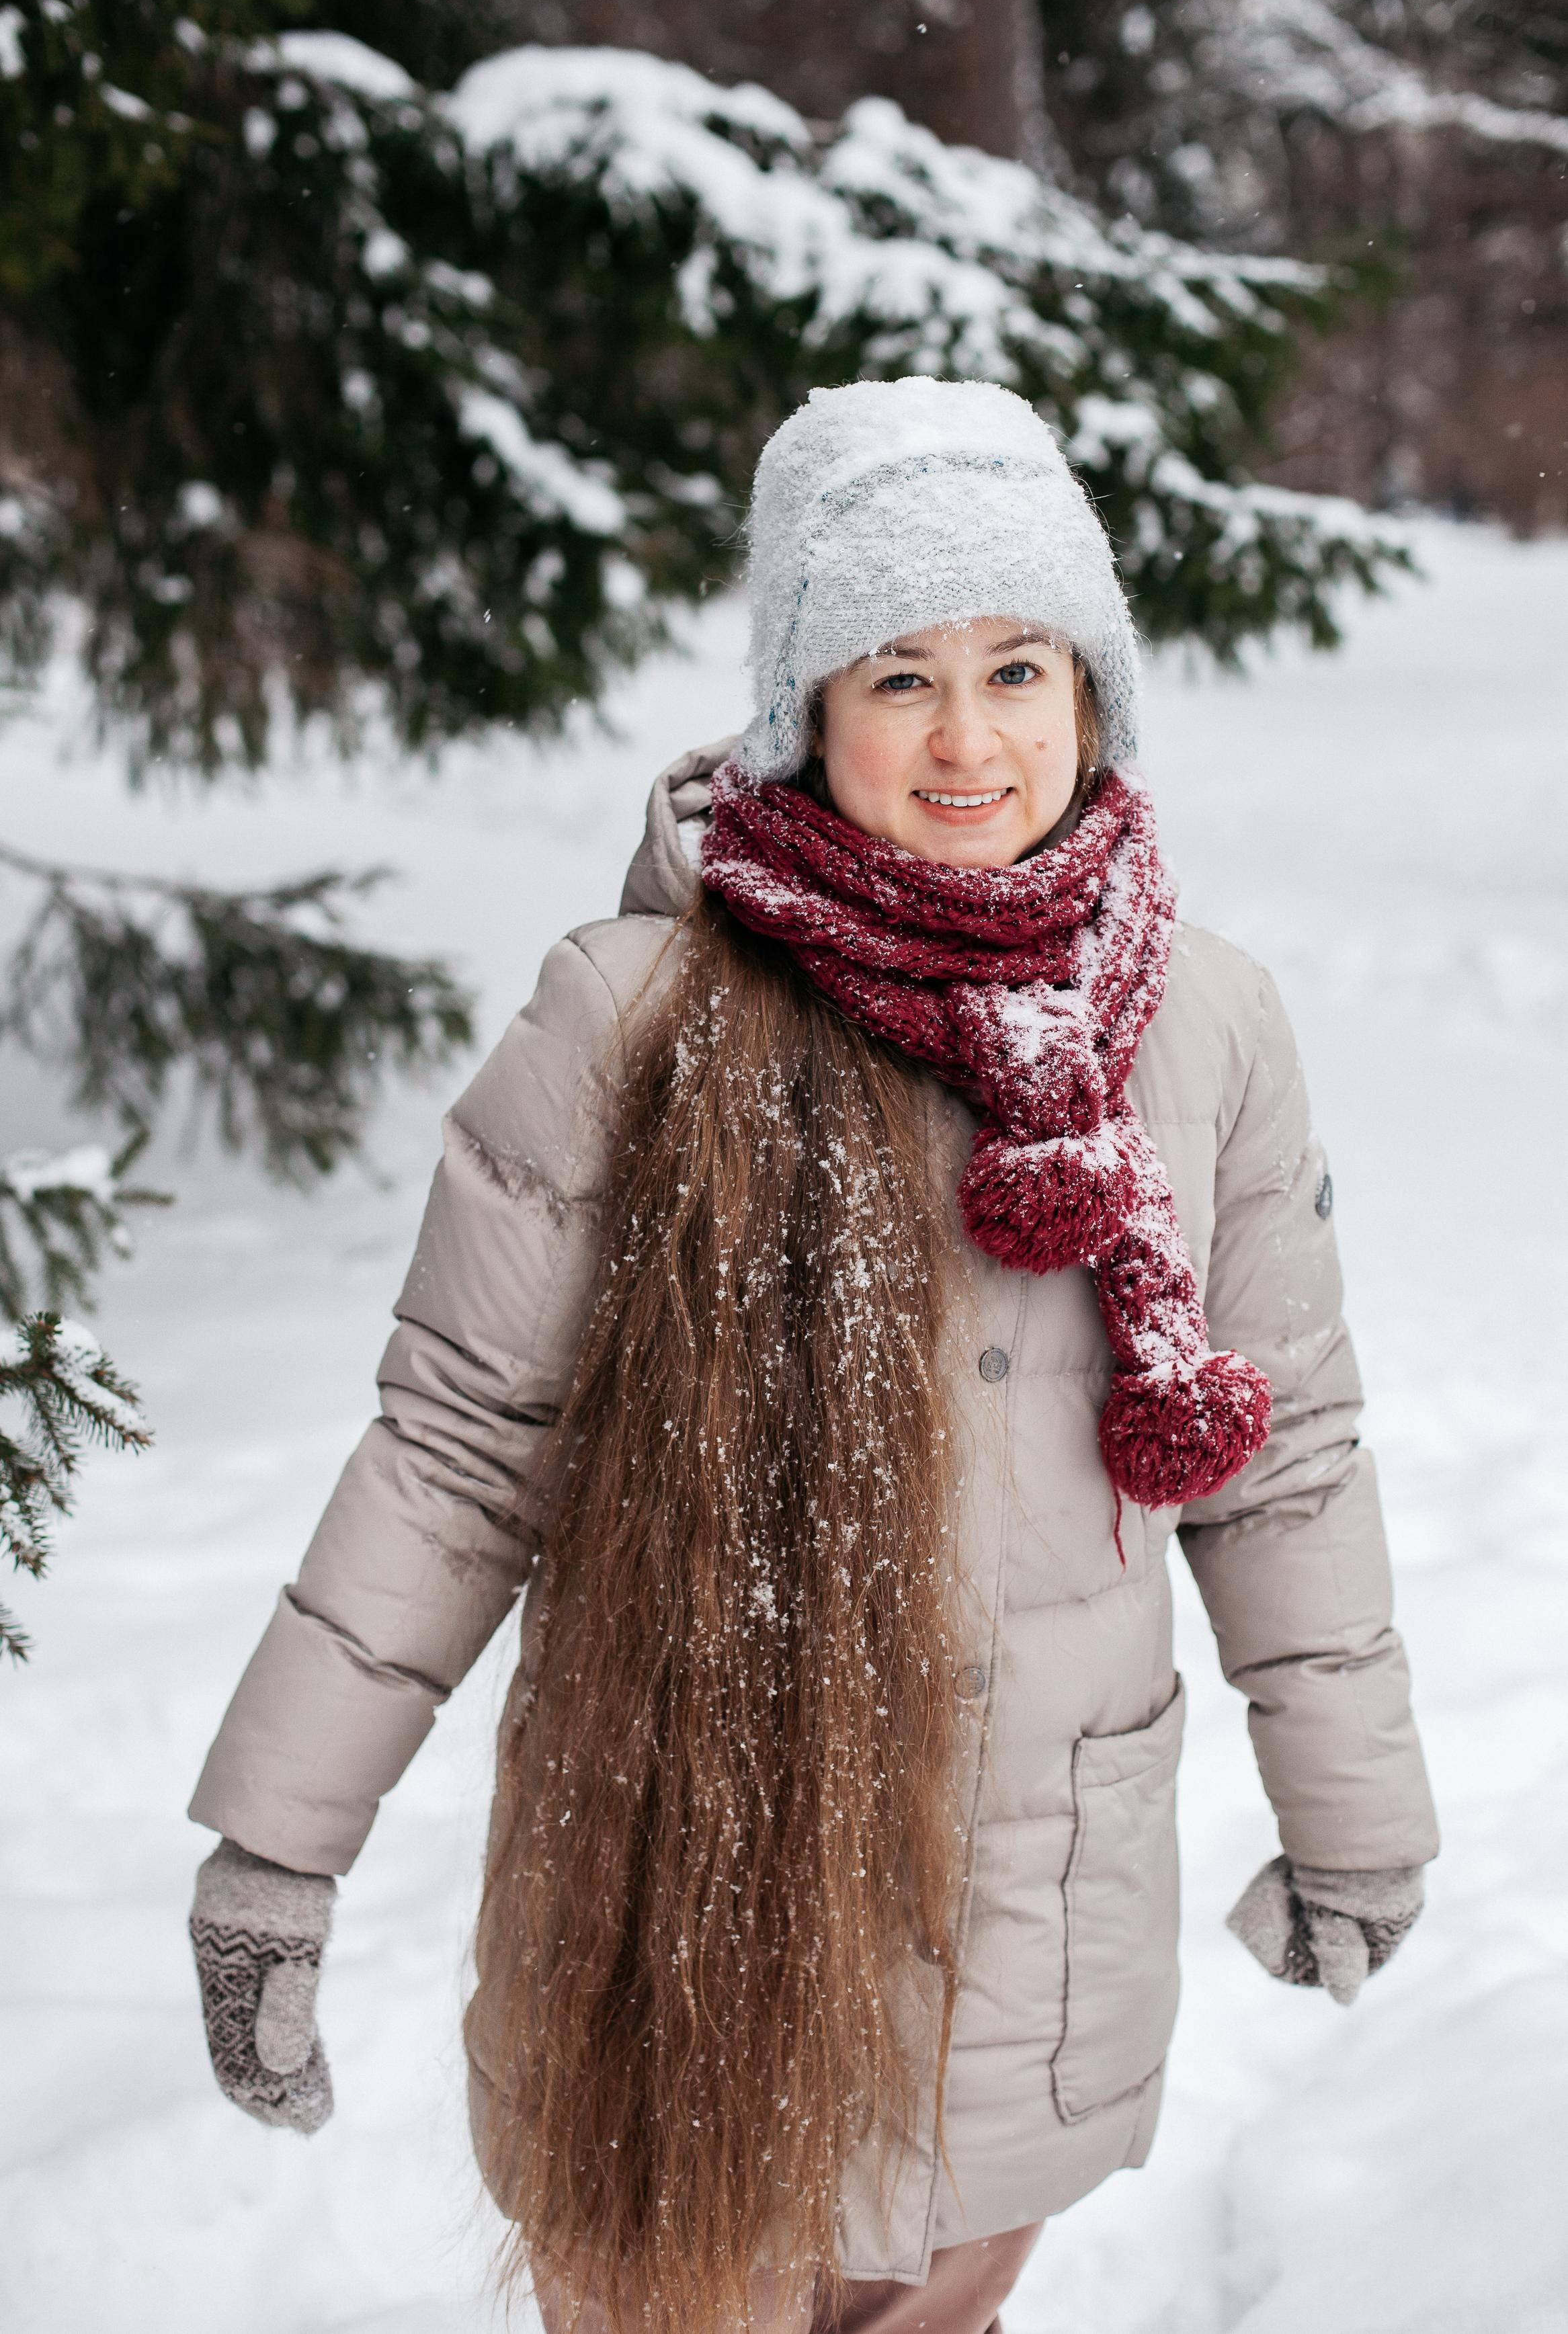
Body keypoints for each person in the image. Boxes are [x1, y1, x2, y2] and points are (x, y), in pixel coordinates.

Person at [186, 378, 1439, 2334]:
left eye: (1021, 667)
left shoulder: (1204, 1026)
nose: (971, 740)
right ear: (802, 709)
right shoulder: (635, 1013)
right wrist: (277, 1844)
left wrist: (1355, 1815)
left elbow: (1279, 1451)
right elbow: (459, 1446)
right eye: (899, 676)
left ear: (1093, 691)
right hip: (681, 1918)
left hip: (1029, 1921)